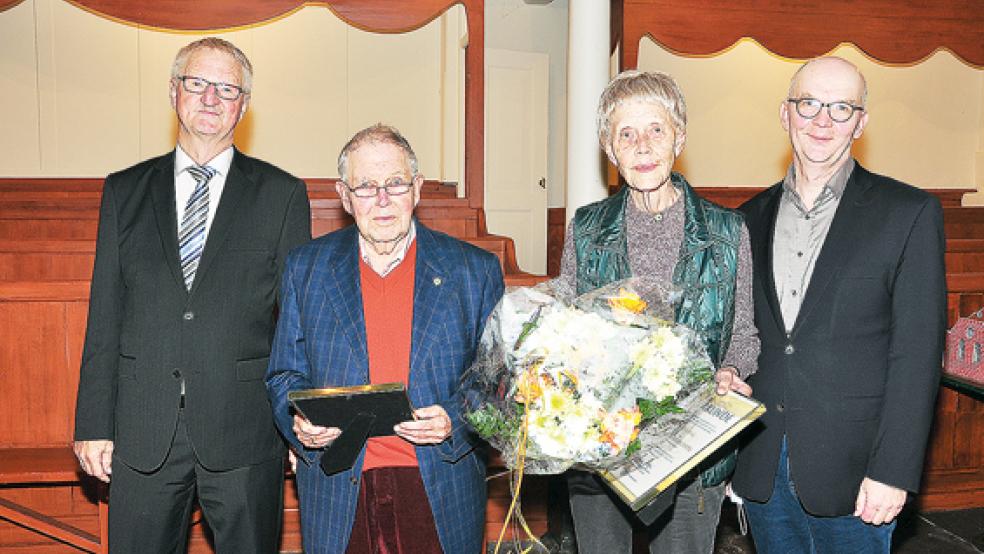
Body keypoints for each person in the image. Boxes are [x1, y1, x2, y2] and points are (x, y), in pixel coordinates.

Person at [73, 37, 311, 553]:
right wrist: (93, 423)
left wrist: (300, 417)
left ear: (243, 105)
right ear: (173, 92)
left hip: (244, 426)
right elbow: (104, 315)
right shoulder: (123, 191)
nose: (211, 97)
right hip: (142, 425)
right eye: (197, 83)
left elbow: (299, 322)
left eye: (227, 88)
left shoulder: (282, 194)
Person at [732, 56, 947, 553]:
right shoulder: (745, 220)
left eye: (841, 107)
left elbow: (916, 357)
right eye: (809, 104)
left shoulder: (908, 214)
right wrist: (733, 461)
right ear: (785, 113)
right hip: (763, 463)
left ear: (861, 123)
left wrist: (893, 471)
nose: (823, 120)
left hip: (858, 474)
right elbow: (741, 340)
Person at [265, 124, 504, 554]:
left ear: (416, 188)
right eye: (365, 186)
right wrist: (299, 422)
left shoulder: (474, 271)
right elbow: (283, 374)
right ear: (344, 195)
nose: (381, 200)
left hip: (438, 479)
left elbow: (496, 383)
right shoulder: (307, 268)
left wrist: (454, 418)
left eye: (394, 183)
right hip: (339, 483)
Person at [557, 69, 760, 553]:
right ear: (610, 149)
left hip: (691, 447)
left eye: (656, 130)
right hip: (603, 445)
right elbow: (566, 327)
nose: (643, 146)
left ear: (679, 138)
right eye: (626, 134)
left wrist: (729, 371)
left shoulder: (727, 233)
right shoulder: (586, 228)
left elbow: (744, 336)